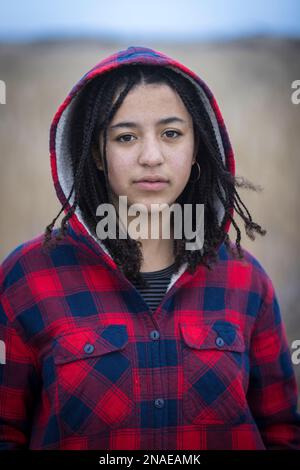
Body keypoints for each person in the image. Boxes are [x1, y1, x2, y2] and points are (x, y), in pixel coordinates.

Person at [0, 45, 299, 450]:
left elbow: (283, 430)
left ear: (197, 148)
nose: (152, 156)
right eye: (126, 137)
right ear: (97, 155)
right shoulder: (27, 277)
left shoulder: (245, 280)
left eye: (171, 134)